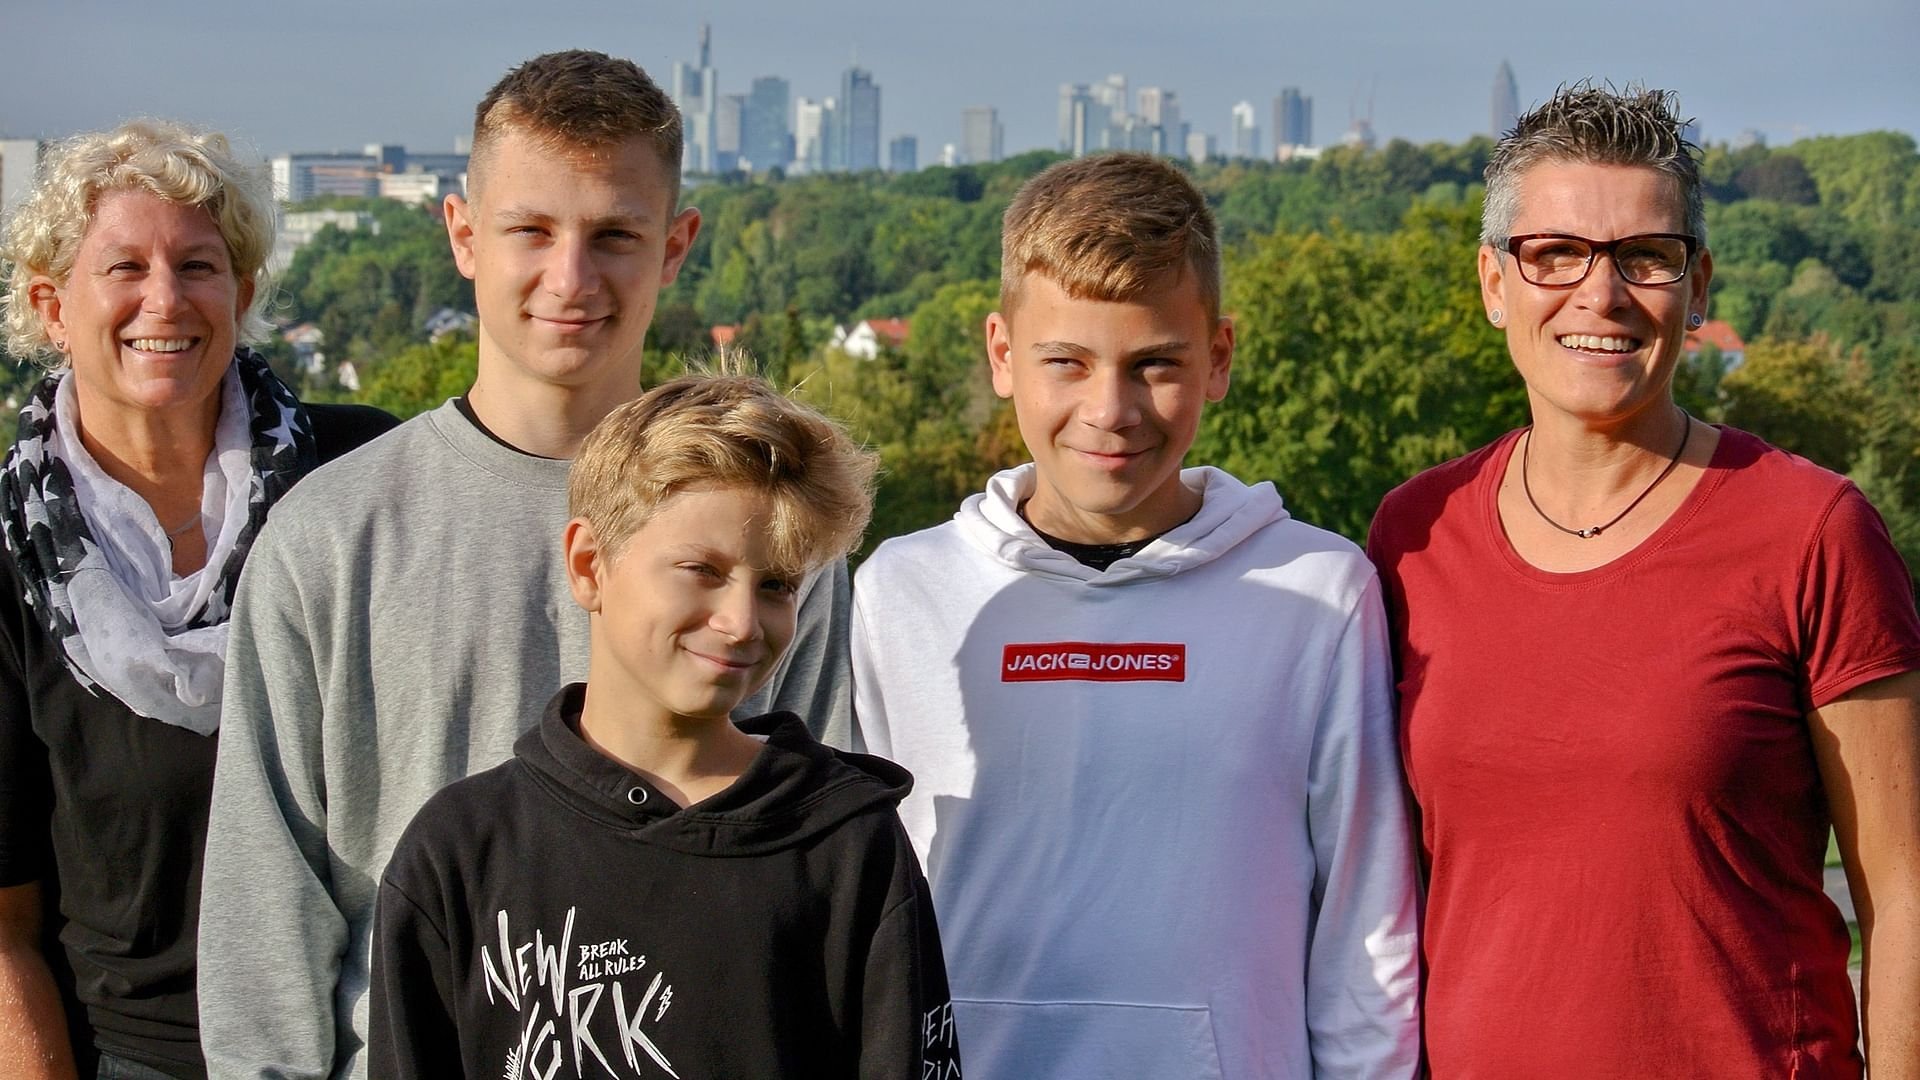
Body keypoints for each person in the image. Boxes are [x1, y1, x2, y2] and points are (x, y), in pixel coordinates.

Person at [196, 52, 853, 1079]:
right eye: (531, 231)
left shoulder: (772, 536)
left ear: (676, 245)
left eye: (615, 237)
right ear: (463, 233)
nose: (571, 279)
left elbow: (816, 866)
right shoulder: (330, 537)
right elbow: (264, 920)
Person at [1366, 84, 1920, 1079]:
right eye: (1555, 254)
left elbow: (1904, 889)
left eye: (1646, 258)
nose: (1600, 293)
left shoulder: (1814, 534)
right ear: (1494, 283)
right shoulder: (1412, 537)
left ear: (1697, 284)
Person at [850, 152, 1420, 1079]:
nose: (1108, 411)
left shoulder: (1321, 593)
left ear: (1220, 357)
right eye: (1065, 363)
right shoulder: (903, 594)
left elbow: (1367, 932)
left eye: (1154, 363)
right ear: (1002, 355)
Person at [367, 373, 961, 1079]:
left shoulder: (850, 846)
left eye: (775, 585)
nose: (741, 622)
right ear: (590, 566)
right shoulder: (461, 852)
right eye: (700, 570)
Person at [0, 121, 396, 1079]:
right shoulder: (6, 552)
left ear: (244, 293)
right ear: (53, 307)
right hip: (140, 1054)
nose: (165, 299)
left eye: (199, 265)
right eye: (124, 266)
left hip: (382, 1033)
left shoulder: (361, 476)